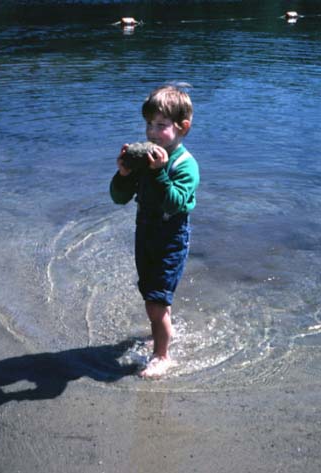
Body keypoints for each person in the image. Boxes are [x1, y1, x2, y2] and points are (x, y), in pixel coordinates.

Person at [109, 84, 200, 378]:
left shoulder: (186, 165)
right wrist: (124, 174)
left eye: (161, 125)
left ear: (182, 128)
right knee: (151, 293)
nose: (151, 132)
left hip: (171, 239)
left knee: (156, 301)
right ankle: (162, 330)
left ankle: (162, 356)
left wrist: (159, 172)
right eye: (149, 124)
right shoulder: (144, 160)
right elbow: (119, 198)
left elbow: (173, 203)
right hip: (145, 235)